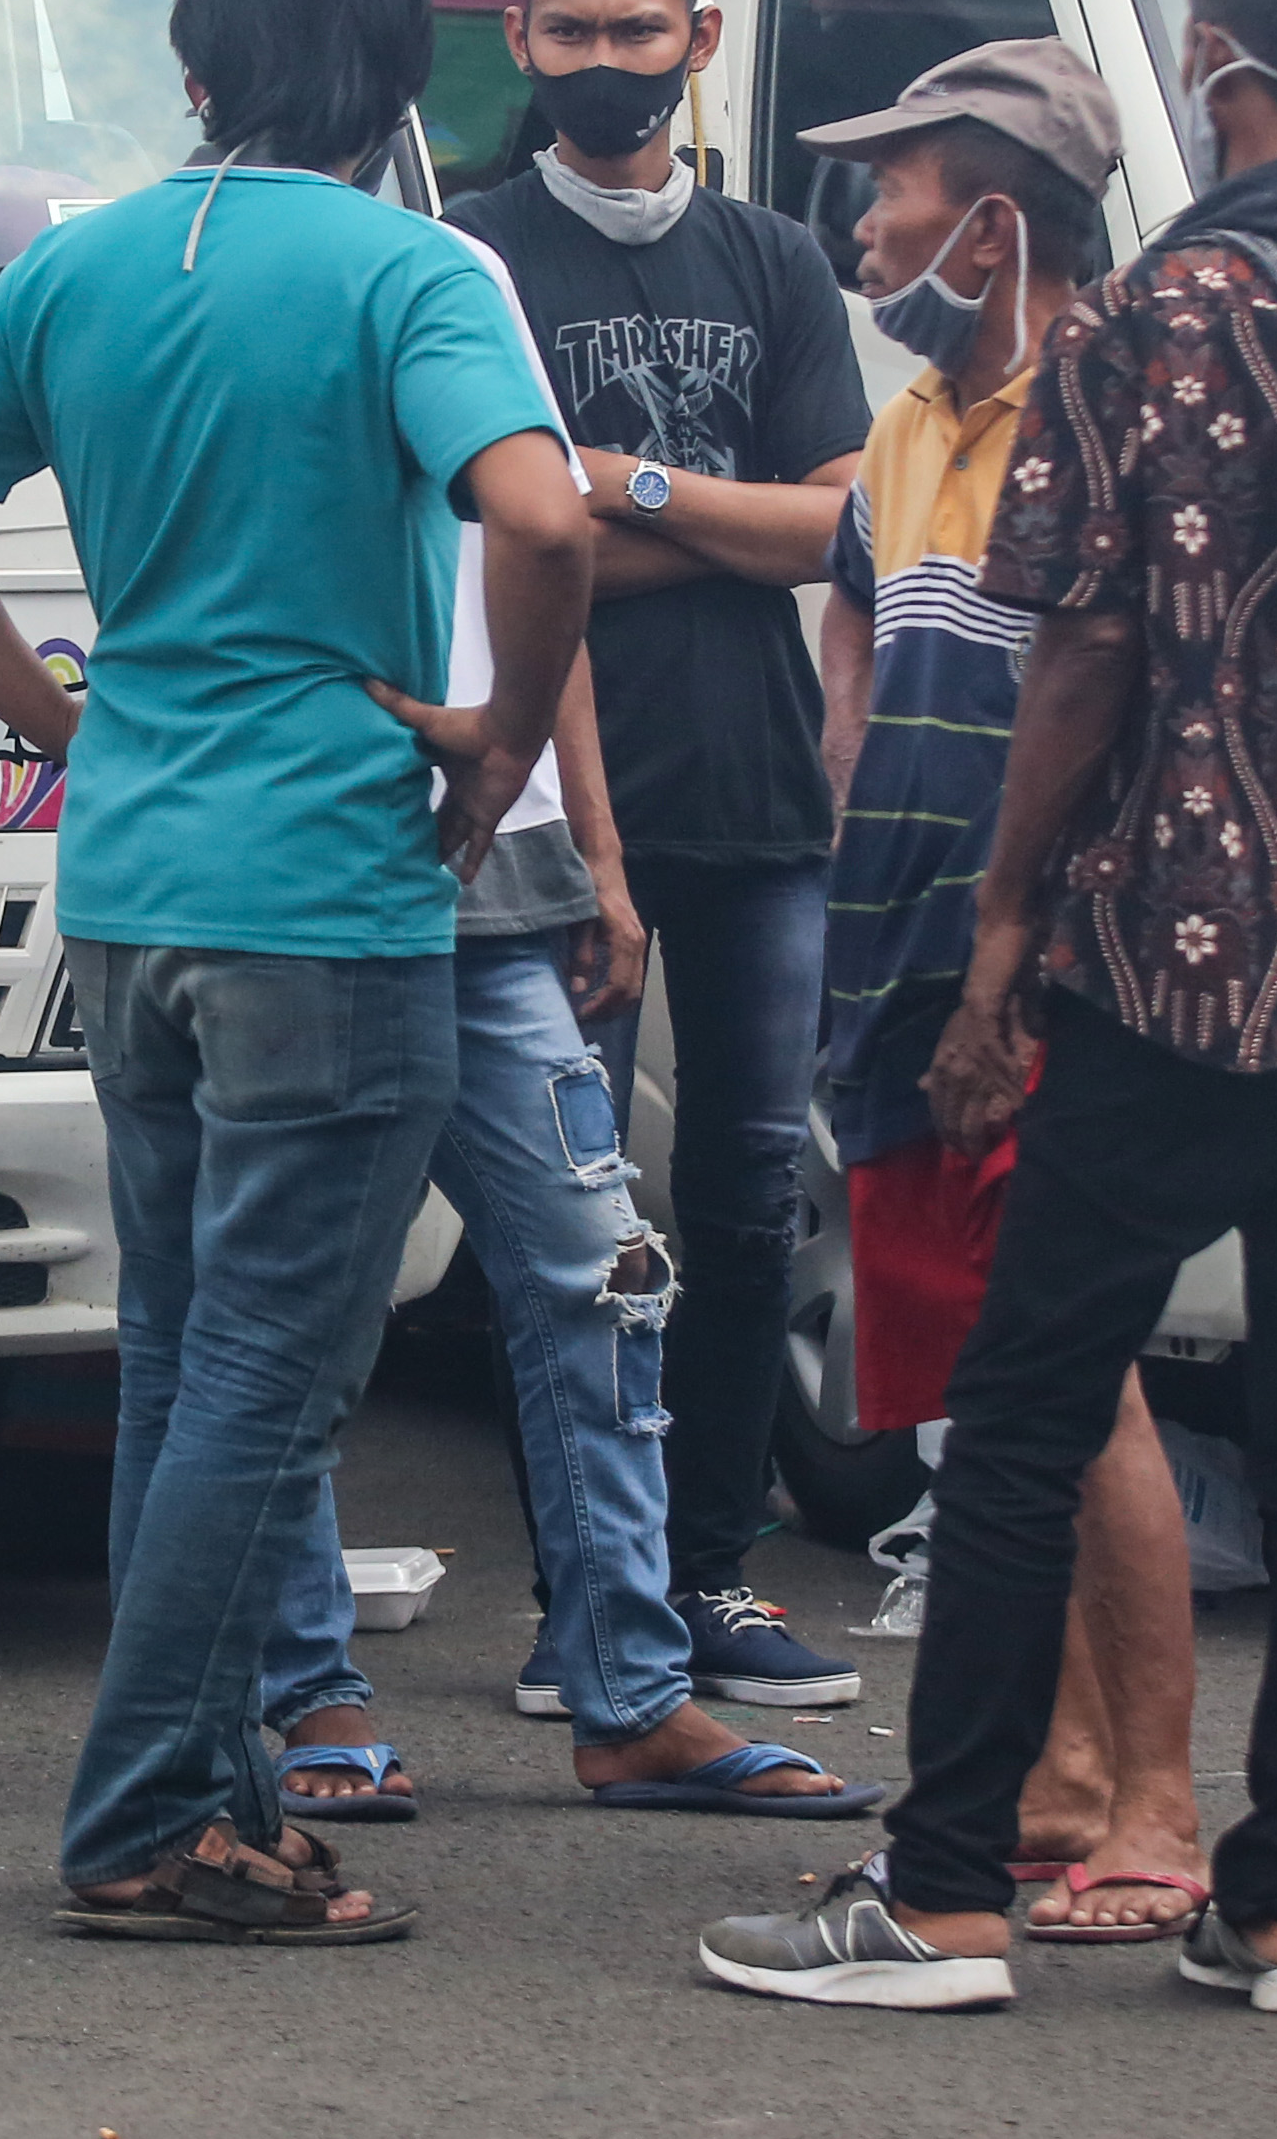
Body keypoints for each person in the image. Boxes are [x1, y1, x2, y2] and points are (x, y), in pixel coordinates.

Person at [702, 0, 1277, 2019]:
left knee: (1021, 1412)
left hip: (1155, 955)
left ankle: (952, 1890)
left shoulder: (1154, 325)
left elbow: (1074, 658)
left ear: (1206, 57)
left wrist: (999, 937)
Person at [0, 0, 591, 1947]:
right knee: (272, 1370)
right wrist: (505, 737)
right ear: (397, 77)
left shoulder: (75, 268)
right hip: (327, 892)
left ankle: (220, 1791)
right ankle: (154, 1810)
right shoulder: (412, 272)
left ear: (192, 70)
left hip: (138, 871)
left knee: (183, 1357)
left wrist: (47, 707)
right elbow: (540, 513)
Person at [253, 227, 880, 1839]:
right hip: (301, 863)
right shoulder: (183, 270)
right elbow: (553, 527)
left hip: (493, 876)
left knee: (605, 1271)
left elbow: (546, 573)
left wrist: (593, 848)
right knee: (305, 1306)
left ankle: (631, 1694)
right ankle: (305, 1686)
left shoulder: (456, 268)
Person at [792, 40, 1209, 1946]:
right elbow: (859, 659)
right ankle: (1049, 1772)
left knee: (1073, 1380)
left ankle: (1159, 1807)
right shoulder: (909, 429)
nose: (863, 231)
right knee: (974, 1388)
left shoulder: (1112, 411)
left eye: (890, 195)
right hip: (895, 970)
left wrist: (1017, 970)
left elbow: (1127, 720)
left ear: (990, 223)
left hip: (1028, 986)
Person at [446, 0, 874, 1719]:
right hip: (553, 812)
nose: (607, 67)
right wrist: (718, 520)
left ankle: (715, 1573)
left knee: (755, 1196)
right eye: (571, 37)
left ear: (700, 44)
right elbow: (496, 552)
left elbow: (847, 523)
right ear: (519, 49)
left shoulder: (776, 262)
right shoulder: (471, 259)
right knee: (580, 1224)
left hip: (761, 798)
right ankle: (590, 1598)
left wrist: (615, 494)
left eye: (641, 33)